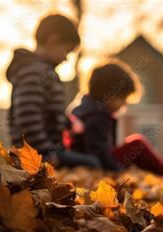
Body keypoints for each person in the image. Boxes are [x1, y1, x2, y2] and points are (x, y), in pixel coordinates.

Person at [6, 14, 100, 168]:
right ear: (52, 41)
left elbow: (50, 114)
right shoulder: (34, 72)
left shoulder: (44, 72)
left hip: (50, 149)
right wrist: (46, 154)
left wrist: (68, 122)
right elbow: (27, 117)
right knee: (93, 164)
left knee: (90, 158)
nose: (66, 58)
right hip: (39, 155)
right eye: (67, 51)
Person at [69, 59, 163, 175]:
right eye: (122, 98)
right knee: (137, 145)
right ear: (107, 93)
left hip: (90, 163)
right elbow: (100, 156)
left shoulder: (86, 108)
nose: (125, 104)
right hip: (97, 166)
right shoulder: (96, 117)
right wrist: (118, 172)